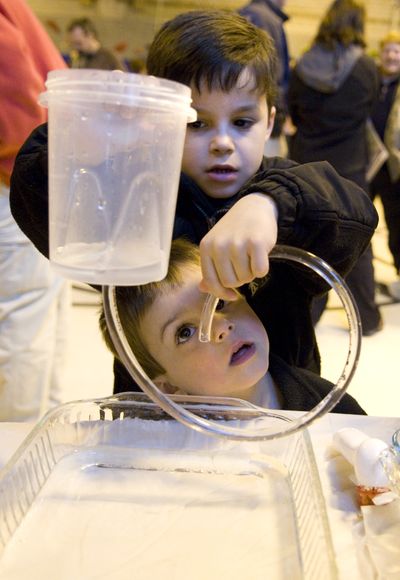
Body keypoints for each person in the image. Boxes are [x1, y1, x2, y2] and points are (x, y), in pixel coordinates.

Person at [10, 10, 378, 394]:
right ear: (163, 120)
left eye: (241, 122)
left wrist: (269, 206)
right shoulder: (137, 200)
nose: (222, 142)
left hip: (279, 414)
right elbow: (36, 191)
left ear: (269, 122)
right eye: (196, 124)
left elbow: (353, 211)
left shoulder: (286, 187)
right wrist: (99, 131)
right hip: (160, 415)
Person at [99, 238, 365, 413]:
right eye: (185, 332)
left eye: (220, 304)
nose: (220, 328)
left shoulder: (330, 408)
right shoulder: (155, 448)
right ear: (166, 388)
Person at [288, 0, 382, 336]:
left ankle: (305, 320)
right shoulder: (367, 70)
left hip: (306, 166)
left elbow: (293, 112)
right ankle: (367, 319)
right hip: (351, 167)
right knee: (358, 241)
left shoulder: (302, 67)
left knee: (306, 244)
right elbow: (370, 107)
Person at [0, 0, 70, 421]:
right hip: (33, 179)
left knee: (24, 324)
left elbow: (15, 118)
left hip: (14, 180)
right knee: (40, 321)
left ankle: (12, 451)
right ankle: (44, 432)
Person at [370, 31, 400, 301]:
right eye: (388, 50)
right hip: (368, 165)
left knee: (396, 225)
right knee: (360, 221)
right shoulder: (369, 80)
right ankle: (359, 279)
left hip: (394, 170)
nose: (392, 55)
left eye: (397, 51)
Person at [238, 0, 290, 156]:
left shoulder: (247, 13)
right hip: (260, 118)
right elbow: (272, 76)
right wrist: (277, 120)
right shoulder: (266, 19)